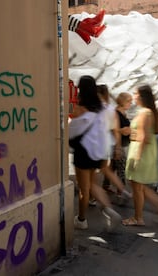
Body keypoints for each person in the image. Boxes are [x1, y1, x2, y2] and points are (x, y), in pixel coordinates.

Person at [69, 76, 121, 230]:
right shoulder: (104, 108)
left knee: (84, 189)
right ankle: (109, 210)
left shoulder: (79, 108)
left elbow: (72, 127)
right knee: (92, 184)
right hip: (98, 150)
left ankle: (82, 219)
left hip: (83, 152)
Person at [122, 85, 158, 226]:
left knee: (137, 189)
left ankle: (138, 218)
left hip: (140, 152)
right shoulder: (149, 112)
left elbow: (144, 137)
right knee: (140, 187)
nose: (134, 96)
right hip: (145, 152)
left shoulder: (144, 113)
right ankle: (149, 211)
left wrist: (136, 157)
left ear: (142, 96)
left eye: (136, 93)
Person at [97, 85, 132, 202]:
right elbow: (114, 130)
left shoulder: (120, 112)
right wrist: (124, 131)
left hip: (117, 143)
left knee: (111, 167)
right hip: (116, 144)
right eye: (129, 101)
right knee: (120, 167)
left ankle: (106, 187)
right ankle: (121, 191)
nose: (131, 103)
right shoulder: (114, 112)